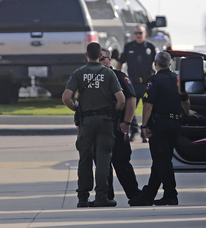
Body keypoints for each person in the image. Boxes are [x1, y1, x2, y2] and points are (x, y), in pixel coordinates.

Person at [128, 52, 197, 207]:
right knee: (161, 160)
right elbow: (185, 100)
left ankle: (171, 195)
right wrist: (188, 112)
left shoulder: (154, 81)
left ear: (155, 63)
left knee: (162, 160)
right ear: (170, 64)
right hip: (175, 124)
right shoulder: (178, 79)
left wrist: (144, 125)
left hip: (159, 125)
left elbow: (148, 106)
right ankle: (147, 196)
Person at [62, 42, 125, 208]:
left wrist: (75, 109)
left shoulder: (78, 73)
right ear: (101, 56)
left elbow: (66, 97)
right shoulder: (109, 74)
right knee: (103, 158)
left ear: (86, 55)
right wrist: (115, 112)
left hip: (86, 123)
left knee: (85, 159)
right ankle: (102, 197)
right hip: (105, 121)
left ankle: (83, 197)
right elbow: (122, 100)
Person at [99, 47, 142, 202]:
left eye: (103, 58)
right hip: (99, 129)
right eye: (98, 58)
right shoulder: (91, 78)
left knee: (121, 161)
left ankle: (134, 195)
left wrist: (127, 122)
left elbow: (131, 99)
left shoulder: (119, 76)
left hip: (117, 127)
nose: (100, 61)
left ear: (109, 60)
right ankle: (106, 197)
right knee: (103, 164)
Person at [118, 24, 157, 142]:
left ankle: (146, 131)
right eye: (136, 33)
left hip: (147, 83)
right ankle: (134, 130)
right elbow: (120, 62)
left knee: (148, 106)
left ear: (145, 33)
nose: (138, 35)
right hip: (133, 83)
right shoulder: (129, 46)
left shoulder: (151, 47)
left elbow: (158, 62)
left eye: (140, 33)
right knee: (129, 106)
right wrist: (115, 76)